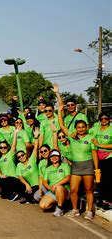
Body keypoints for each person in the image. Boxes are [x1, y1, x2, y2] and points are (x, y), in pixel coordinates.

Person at [55, 84, 98, 220]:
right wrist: (60, 111)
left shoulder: (91, 138)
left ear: (86, 127)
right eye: (78, 127)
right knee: (73, 190)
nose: (80, 129)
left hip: (88, 165)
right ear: (76, 128)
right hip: (76, 166)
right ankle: (75, 209)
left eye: (82, 127)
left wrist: (97, 170)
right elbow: (61, 125)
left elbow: (94, 154)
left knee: (89, 190)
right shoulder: (72, 137)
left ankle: (90, 211)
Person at [39, 150, 71, 217]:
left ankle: (60, 208)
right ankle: (58, 204)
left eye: (56, 156)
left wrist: (56, 185)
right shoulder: (48, 169)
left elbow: (68, 177)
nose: (54, 158)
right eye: (52, 156)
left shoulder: (65, 166)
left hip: (64, 191)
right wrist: (50, 188)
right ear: (50, 158)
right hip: (52, 191)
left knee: (59, 188)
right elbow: (44, 181)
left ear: (59, 157)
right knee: (43, 206)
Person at [90, 112, 112, 210]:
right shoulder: (96, 129)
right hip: (98, 157)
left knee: (108, 179)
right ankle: (103, 200)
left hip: (109, 157)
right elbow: (84, 131)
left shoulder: (111, 130)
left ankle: (109, 200)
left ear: (109, 119)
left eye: (106, 118)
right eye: (101, 119)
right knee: (100, 179)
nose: (104, 120)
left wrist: (99, 145)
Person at [0, 129, 24, 201]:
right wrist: (0, 175)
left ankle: (17, 192)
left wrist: (15, 134)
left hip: (14, 178)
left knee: (7, 180)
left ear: (7, 148)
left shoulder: (10, 154)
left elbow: (14, 146)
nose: (3, 149)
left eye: (5, 147)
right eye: (1, 147)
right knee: (3, 196)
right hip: (5, 180)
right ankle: (13, 193)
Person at [16, 128, 40, 204]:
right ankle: (27, 197)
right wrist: (27, 185)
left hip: (37, 185)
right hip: (29, 186)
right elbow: (20, 177)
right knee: (17, 182)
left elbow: (35, 148)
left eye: (22, 155)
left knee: (34, 197)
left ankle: (30, 197)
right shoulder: (19, 165)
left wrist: (36, 137)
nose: (21, 157)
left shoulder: (32, 159)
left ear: (26, 155)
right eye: (19, 157)